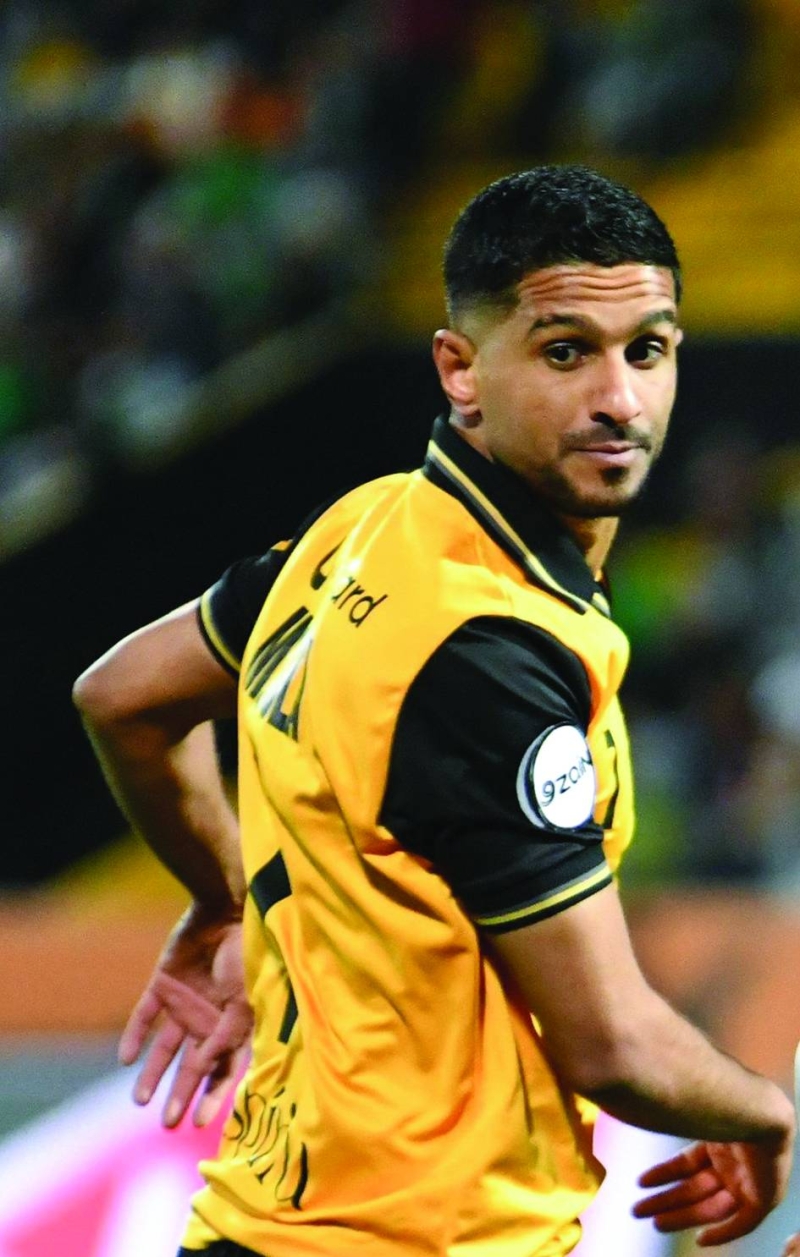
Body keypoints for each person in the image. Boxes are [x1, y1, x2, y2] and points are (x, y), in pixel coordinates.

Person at [73, 165, 795, 1257]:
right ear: (460, 369)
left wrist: (222, 899)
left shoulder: (361, 531)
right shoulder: (484, 652)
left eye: (646, 350)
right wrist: (763, 1111)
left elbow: (122, 697)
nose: (619, 399)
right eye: (565, 353)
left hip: (264, 1228)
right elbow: (610, 1042)